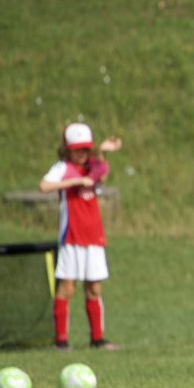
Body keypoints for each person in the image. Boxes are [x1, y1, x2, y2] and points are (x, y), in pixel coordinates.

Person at [40, 123, 123, 350]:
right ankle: (61, 341)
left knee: (94, 288)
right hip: (72, 237)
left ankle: (97, 339)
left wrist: (103, 153)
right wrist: (75, 181)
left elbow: (102, 175)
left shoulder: (91, 165)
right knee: (67, 288)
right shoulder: (63, 167)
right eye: (77, 150)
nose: (82, 154)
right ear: (67, 149)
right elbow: (44, 186)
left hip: (93, 237)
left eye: (86, 149)